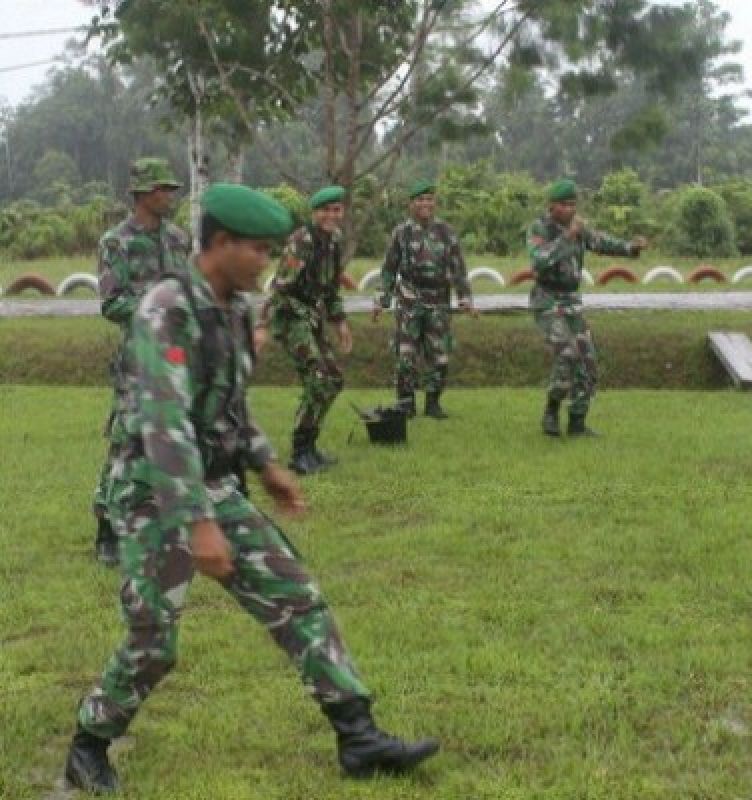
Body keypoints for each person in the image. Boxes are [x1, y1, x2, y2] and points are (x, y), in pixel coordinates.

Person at [63, 184, 438, 795]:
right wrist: (198, 522)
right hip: (153, 492)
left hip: (211, 483)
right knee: (155, 640)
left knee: (297, 596)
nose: (265, 261)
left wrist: (267, 466)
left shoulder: (235, 308)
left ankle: (358, 736)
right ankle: (90, 742)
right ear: (220, 244)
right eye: (256, 250)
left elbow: (228, 407)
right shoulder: (165, 308)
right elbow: (166, 425)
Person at [91, 157, 190, 566]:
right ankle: (108, 528)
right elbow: (112, 304)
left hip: (176, 356)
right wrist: (158, 308)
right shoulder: (116, 242)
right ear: (145, 194)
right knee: (126, 443)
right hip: (138, 358)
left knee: (171, 436)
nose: (170, 196)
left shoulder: (180, 239)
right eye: (164, 190)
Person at [527, 179, 646, 437]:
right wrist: (567, 237)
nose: (570, 210)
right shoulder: (540, 228)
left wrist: (630, 248)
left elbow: (601, 242)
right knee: (567, 354)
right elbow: (540, 260)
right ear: (552, 207)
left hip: (570, 301)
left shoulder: (579, 228)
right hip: (547, 301)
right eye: (564, 205)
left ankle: (577, 422)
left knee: (587, 359)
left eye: (573, 205)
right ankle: (551, 410)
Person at [256, 186, 351, 475]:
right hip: (290, 316)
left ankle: (310, 448)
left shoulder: (333, 241)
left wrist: (340, 322)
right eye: (325, 210)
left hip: (311, 317)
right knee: (318, 377)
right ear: (315, 213)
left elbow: (331, 288)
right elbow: (279, 287)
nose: (331, 215)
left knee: (333, 379)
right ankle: (299, 454)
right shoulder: (302, 241)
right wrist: (262, 325)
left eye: (336, 210)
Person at [372, 179, 476, 419]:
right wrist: (381, 299)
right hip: (410, 300)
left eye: (429, 199)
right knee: (405, 356)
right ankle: (406, 404)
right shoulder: (401, 232)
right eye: (420, 200)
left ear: (435, 202)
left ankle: (433, 403)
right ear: (411, 204)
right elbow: (389, 268)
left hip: (438, 301)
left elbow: (458, 267)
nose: (425, 204)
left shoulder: (446, 232)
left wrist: (465, 297)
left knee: (439, 356)